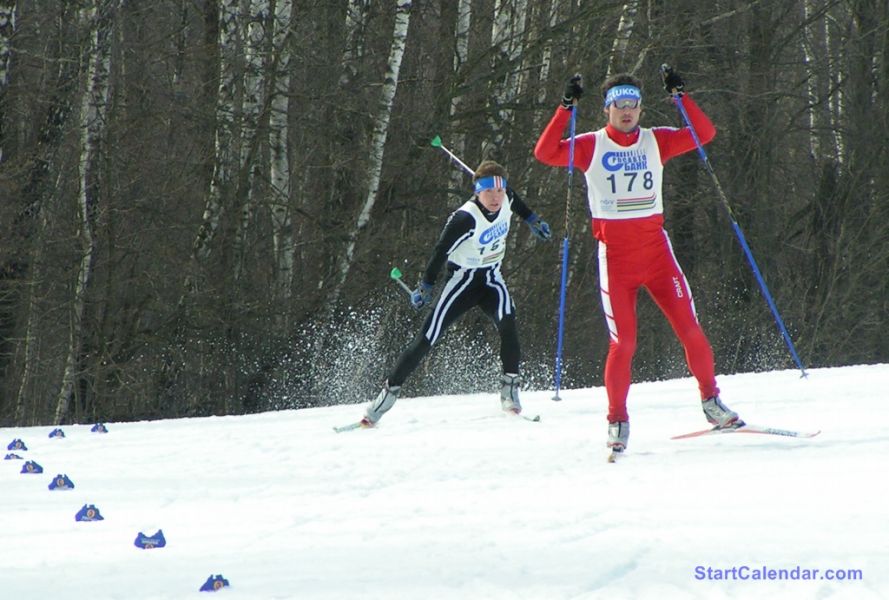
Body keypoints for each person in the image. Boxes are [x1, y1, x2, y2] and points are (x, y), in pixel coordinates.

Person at [533, 66, 743, 454]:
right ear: (607, 110)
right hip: (616, 260)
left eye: (632, 104)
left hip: (658, 255)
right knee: (624, 343)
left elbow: (705, 134)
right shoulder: (591, 145)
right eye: (618, 104)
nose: (626, 111)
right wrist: (564, 108)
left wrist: (681, 97)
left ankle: (712, 402)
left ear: (641, 109)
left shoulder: (655, 141)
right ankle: (617, 420)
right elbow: (545, 152)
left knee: (691, 329)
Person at [359, 160, 552, 427]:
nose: (495, 198)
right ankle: (383, 400)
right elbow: (440, 251)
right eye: (488, 192)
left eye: (499, 191)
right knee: (426, 339)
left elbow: (516, 202)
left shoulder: (506, 196)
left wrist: (532, 219)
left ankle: (510, 390)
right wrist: (425, 286)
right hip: (462, 283)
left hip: (492, 279)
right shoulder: (465, 218)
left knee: (508, 323)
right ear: (477, 191)